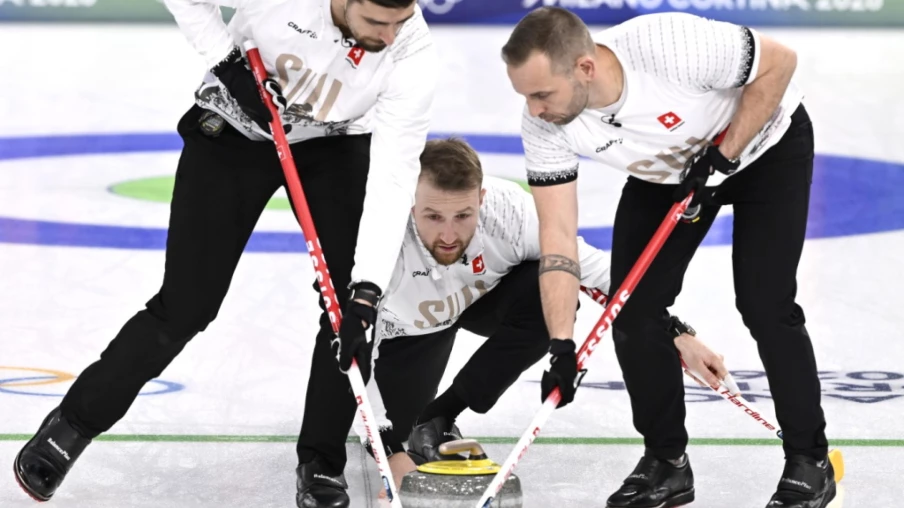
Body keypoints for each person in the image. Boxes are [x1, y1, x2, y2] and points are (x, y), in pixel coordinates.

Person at [13, 1, 436, 507]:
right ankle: (74, 423)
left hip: (335, 142)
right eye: (376, 23)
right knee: (187, 305)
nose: (390, 37)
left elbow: (394, 176)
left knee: (350, 311)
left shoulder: (412, 49)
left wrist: (367, 290)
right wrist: (227, 61)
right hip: (238, 125)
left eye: (399, 21)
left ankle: (322, 463)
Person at [500, 7, 833, 508]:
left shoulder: (667, 44)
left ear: (585, 69)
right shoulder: (545, 125)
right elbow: (559, 237)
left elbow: (780, 64)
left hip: (765, 147)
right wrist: (560, 345)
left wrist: (723, 156)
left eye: (542, 94)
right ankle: (667, 463)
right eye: (525, 95)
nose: (534, 108)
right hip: (670, 174)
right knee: (633, 310)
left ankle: (810, 460)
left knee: (765, 304)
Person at [345, 138, 732, 496]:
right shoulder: (382, 238)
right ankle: (412, 423)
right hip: (404, 333)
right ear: (411, 202)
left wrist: (674, 330)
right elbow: (354, 355)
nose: (448, 234)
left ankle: (442, 414)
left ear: (481, 199)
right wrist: (391, 451)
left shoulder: (508, 211)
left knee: (551, 288)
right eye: (433, 216)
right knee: (389, 426)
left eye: (463, 215)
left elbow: (591, 270)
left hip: (475, 303)